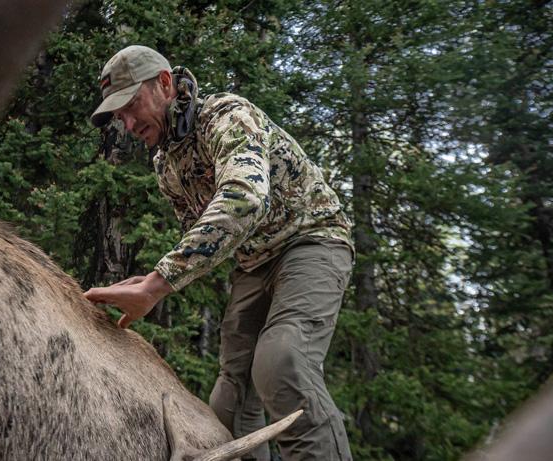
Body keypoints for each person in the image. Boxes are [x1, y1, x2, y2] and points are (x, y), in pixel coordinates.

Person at [84, 45, 354, 461]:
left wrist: (157, 284)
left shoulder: (227, 116)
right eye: (119, 115)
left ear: (165, 84)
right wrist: (150, 282)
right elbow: (203, 234)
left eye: (131, 105)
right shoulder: (166, 164)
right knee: (229, 399)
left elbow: (244, 199)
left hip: (312, 242)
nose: (128, 122)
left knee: (282, 361)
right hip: (253, 263)